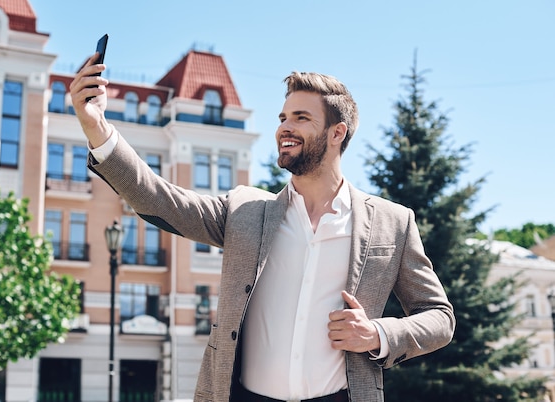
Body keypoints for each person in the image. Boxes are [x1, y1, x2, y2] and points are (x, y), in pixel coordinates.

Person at [70, 53, 455, 402]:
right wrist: (97, 127)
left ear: (337, 133)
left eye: (301, 118)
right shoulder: (245, 211)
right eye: (282, 118)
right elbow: (159, 199)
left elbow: (439, 316)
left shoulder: (392, 222)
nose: (284, 128)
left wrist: (378, 335)